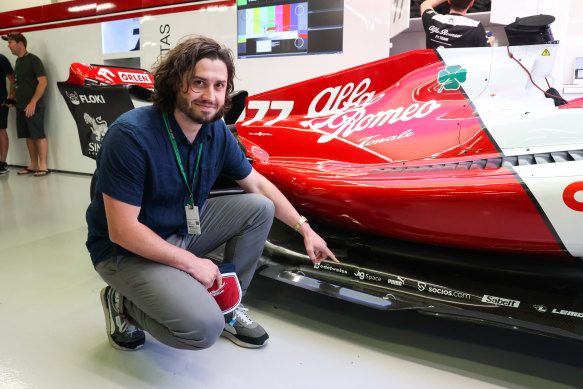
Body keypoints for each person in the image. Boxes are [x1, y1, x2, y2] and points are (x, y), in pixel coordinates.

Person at [86, 35, 338, 351]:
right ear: (175, 83)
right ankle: (122, 302)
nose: (210, 95)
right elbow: (122, 231)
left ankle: (229, 303)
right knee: (201, 330)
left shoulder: (214, 130)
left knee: (259, 207)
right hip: (124, 251)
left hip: (179, 228)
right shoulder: (131, 135)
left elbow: (257, 184)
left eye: (219, 85)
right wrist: (192, 263)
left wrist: (305, 229)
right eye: (199, 83)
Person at [1, 32, 49, 177]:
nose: (8, 46)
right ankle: (33, 164)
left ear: (20, 43)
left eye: (10, 42)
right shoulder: (18, 62)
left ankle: (43, 166)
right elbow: (17, 83)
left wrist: (33, 102)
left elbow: (43, 82)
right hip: (21, 105)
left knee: (38, 135)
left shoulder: (34, 60)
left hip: (33, 106)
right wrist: (11, 98)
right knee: (28, 136)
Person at [420, 0, 495, 49]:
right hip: (459, 72)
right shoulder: (475, 27)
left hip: (434, 71)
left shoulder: (433, 19)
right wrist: (491, 40)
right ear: (472, 3)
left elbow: (425, 4)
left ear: (449, 1)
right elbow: (485, 53)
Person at [0, 53, 14, 175]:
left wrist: (10, 97)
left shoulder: (1, 59)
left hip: (1, 102)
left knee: (1, 130)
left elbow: (13, 78)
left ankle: (3, 163)